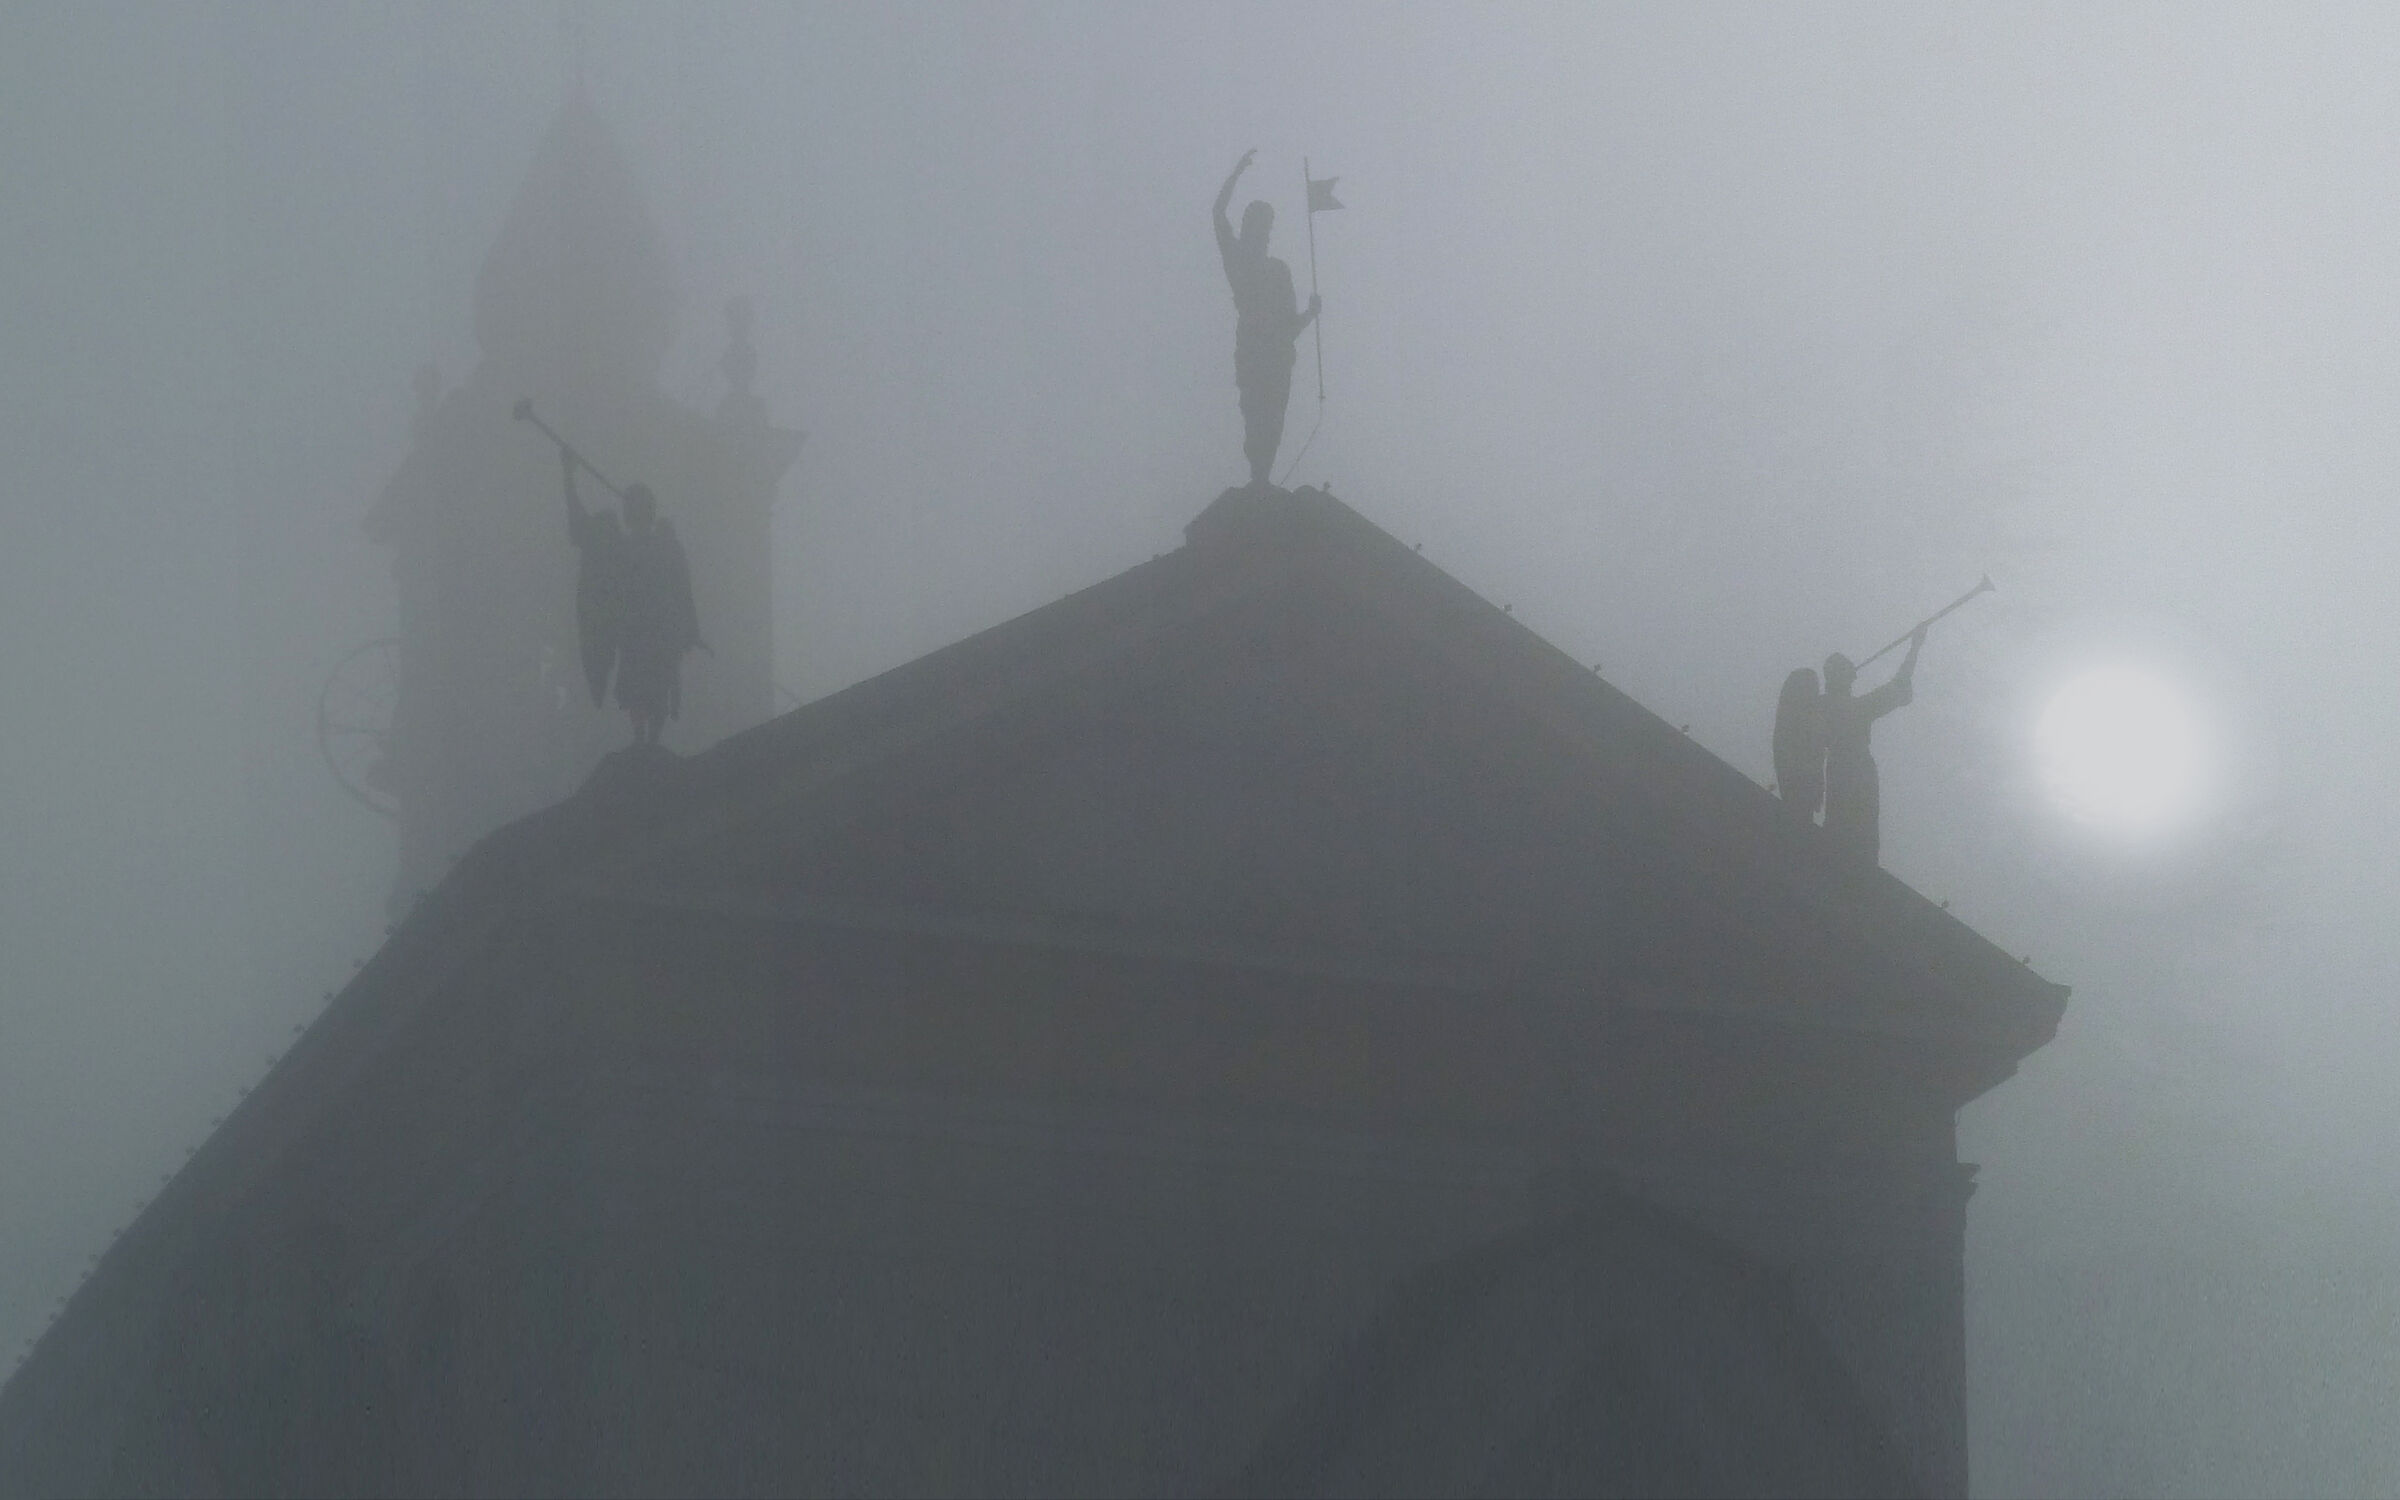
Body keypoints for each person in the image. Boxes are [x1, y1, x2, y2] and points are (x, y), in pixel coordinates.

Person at [562, 453, 698, 748]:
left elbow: (681, 588)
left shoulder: (665, 545)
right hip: (635, 631)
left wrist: (689, 627)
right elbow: (582, 531)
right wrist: (568, 477)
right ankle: (641, 740)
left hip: (660, 631)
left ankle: (650, 740)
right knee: (637, 687)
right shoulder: (620, 548)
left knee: (657, 686)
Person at [1215, 149, 1320, 488]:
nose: (1265, 232)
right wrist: (1237, 171)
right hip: (1251, 353)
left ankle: (1261, 480)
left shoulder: (1279, 270)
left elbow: (1289, 327)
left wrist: (1310, 313)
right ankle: (1257, 478)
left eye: (1268, 226)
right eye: (1259, 225)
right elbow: (1217, 213)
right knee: (1256, 417)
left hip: (1277, 356)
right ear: (1248, 228)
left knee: (1274, 421)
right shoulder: (1238, 260)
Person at [1819, 627, 1924, 863]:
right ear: (1842, 678)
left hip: (1847, 769)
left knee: (1852, 827)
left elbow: (1897, 687)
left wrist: (1915, 648)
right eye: (1849, 675)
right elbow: (1898, 686)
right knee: (1856, 830)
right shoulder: (1851, 709)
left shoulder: (1828, 707)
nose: (1854, 679)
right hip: (1855, 769)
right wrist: (1915, 648)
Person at [1772, 667, 1826, 819]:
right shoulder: (1794, 718)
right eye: (1811, 686)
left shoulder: (1809, 715)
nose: (1815, 690)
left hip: (1807, 785)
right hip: (1796, 783)